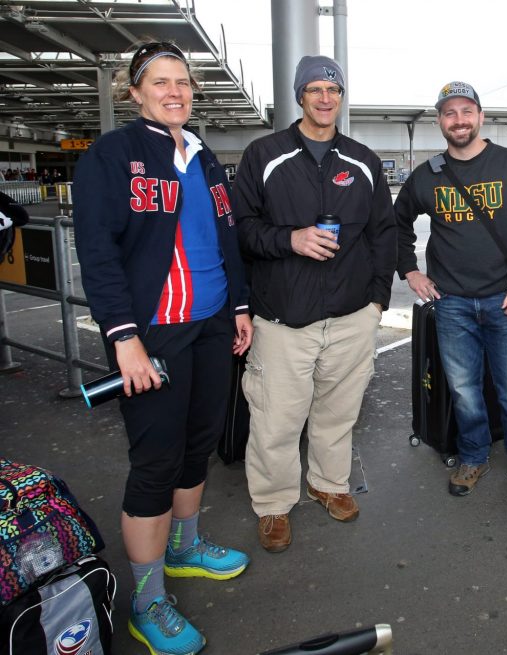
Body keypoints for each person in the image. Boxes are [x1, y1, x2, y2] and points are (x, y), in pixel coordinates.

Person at [74, 40, 253, 655]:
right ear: (135, 92)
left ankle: (185, 547)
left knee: (198, 444)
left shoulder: (204, 158)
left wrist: (239, 307)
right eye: (160, 82)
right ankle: (148, 602)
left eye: (183, 82)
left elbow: (225, 240)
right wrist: (123, 338)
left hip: (212, 326)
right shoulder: (112, 155)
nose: (174, 92)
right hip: (153, 333)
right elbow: (97, 253)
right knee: (155, 462)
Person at [232, 55, 396, 553]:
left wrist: (377, 302)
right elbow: (241, 230)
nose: (325, 98)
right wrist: (292, 239)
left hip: (352, 316)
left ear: (341, 98)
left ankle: (328, 483)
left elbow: (383, 233)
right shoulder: (264, 154)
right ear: (300, 96)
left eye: (334, 89)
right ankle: (273, 503)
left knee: (338, 413)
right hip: (284, 318)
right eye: (315, 89)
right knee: (276, 419)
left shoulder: (362, 160)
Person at [395, 81, 507, 501]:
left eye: (467, 111)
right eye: (450, 113)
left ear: (481, 117)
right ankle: (473, 456)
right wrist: (409, 270)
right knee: (464, 390)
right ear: (439, 121)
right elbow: (396, 222)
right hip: (451, 303)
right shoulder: (427, 175)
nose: (459, 120)